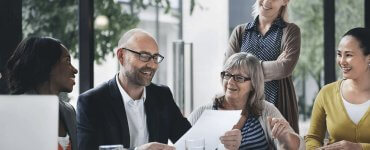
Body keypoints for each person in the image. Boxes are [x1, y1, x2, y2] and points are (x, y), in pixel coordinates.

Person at [189, 52, 304, 150]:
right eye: (227, 75)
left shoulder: (265, 110)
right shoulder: (201, 113)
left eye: (239, 78)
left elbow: (301, 147)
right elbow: (178, 146)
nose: (230, 82)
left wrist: (286, 138)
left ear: (253, 84)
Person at [225, 0, 301, 133]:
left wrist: (243, 72)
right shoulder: (240, 32)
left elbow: (284, 68)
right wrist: (272, 68)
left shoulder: (290, 31)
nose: (266, 1)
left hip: (277, 106)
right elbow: (228, 69)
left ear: (285, 1)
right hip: (243, 108)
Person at [6, 37, 79, 150]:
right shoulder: (13, 111)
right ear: (47, 65)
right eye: (67, 61)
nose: (75, 70)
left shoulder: (69, 111)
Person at [305, 28, 370, 150]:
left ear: (368, 58)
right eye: (339, 54)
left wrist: (359, 147)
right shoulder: (326, 93)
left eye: (349, 55)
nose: (342, 61)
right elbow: (313, 137)